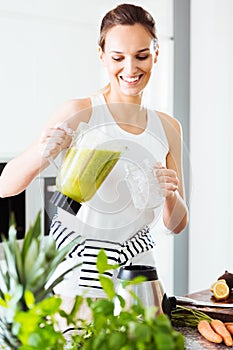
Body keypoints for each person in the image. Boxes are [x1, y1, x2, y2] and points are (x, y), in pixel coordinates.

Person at [0, 3, 188, 313]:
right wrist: (41, 151)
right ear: (101, 55)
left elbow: (178, 223)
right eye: (118, 58)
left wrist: (170, 195)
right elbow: (6, 185)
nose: (130, 69)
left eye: (141, 56)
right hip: (79, 274)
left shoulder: (168, 127)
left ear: (156, 53)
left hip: (139, 272)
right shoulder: (79, 113)